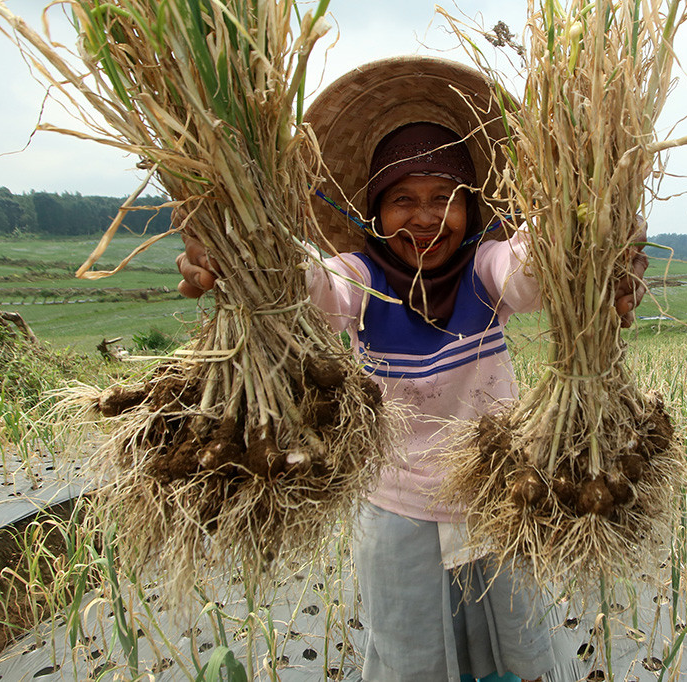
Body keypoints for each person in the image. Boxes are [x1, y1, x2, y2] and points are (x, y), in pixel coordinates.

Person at [177, 56, 648, 682]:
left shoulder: (487, 268)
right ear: (374, 214)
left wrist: (591, 235)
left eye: (446, 199)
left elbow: (531, 270)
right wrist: (239, 253)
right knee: (412, 658)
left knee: (517, 647)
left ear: (473, 211)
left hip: (502, 495)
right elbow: (309, 285)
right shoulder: (361, 277)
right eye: (403, 200)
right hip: (396, 506)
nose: (426, 218)